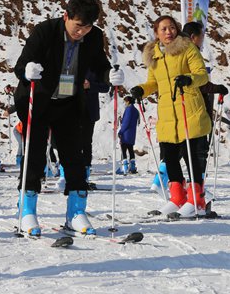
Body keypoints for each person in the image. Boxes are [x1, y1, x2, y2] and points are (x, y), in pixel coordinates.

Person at [14, 0, 116, 236]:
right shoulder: (45, 31)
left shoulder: (93, 36)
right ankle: (27, 211)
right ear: (66, 16)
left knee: (74, 157)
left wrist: (109, 76)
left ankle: (76, 212)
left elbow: (100, 66)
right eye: (78, 26)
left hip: (68, 103)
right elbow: (21, 66)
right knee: (35, 156)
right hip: (38, 101)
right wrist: (28, 71)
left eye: (87, 27)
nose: (81, 32)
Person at [129, 15, 211, 218]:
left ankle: (197, 201)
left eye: (172, 28)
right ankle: (177, 198)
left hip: (188, 108)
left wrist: (189, 79)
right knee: (170, 156)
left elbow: (202, 74)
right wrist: (142, 89)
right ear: (156, 33)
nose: (169, 32)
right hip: (167, 113)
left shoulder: (187, 48)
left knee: (191, 157)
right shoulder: (154, 56)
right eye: (164, 29)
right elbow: (153, 83)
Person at [80, 71, 111, 184]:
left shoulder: (95, 68)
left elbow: (105, 87)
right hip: (72, 109)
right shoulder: (71, 63)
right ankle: (66, 174)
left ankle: (85, 175)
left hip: (89, 112)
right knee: (71, 143)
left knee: (86, 142)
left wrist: (90, 85)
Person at [117, 96, 140, 174]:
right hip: (132, 133)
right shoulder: (136, 110)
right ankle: (132, 167)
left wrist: (120, 131)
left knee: (123, 149)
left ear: (128, 101)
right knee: (130, 149)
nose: (125, 103)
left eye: (125, 101)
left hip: (126, 133)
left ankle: (124, 168)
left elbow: (126, 122)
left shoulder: (129, 109)